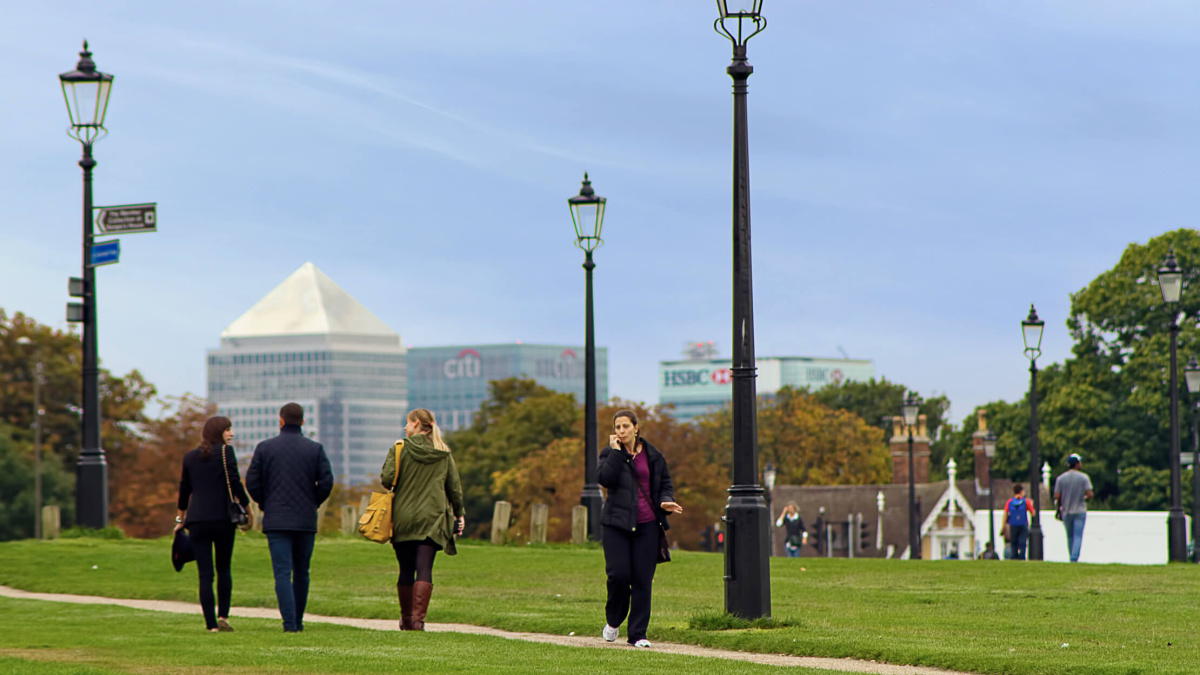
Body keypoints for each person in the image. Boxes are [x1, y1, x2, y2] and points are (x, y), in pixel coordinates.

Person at [597, 409, 683, 649]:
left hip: (647, 526)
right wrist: (616, 453)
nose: (621, 431)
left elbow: (665, 484)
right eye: (617, 427)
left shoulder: (653, 455)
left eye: (625, 426)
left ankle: (637, 634)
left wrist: (665, 501)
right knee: (619, 576)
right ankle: (613, 620)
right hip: (616, 525)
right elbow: (605, 479)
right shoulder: (609, 454)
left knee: (643, 581)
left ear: (636, 428)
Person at [246, 402, 334, 633]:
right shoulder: (315, 449)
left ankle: (289, 624)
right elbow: (326, 482)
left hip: (276, 520)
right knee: (302, 572)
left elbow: (252, 482)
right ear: (303, 422)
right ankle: (299, 620)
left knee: (282, 573)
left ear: (281, 420)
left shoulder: (265, 448)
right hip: (305, 520)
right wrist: (312, 502)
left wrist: (265, 503)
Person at [380, 408, 465, 631]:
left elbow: (387, 480)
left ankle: (406, 620)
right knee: (424, 568)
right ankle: (418, 622)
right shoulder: (443, 453)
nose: (405, 427)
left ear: (417, 424)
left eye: (407, 423)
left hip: (403, 517)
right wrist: (459, 513)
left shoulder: (400, 449)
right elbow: (454, 487)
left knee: (405, 569)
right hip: (433, 519)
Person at [174, 415, 252, 633]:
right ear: (218, 432)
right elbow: (235, 482)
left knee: (204, 574)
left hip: (197, 520)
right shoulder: (227, 453)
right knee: (224, 568)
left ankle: (210, 625)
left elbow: (184, 490)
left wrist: (180, 520)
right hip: (222, 519)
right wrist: (248, 508)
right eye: (227, 430)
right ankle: (223, 616)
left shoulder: (189, 457)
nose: (231, 434)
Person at [1054, 453, 1093, 563]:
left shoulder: (1060, 479)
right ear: (1077, 464)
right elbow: (1089, 494)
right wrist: (1084, 498)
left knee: (1070, 536)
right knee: (1078, 536)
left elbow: (1057, 496)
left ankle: (1072, 556)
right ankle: (1074, 558)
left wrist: (1058, 510)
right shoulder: (1084, 478)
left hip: (1066, 510)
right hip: (1080, 510)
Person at [1003, 484, 1035, 560]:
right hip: (1023, 524)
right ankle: (1022, 557)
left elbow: (1005, 514)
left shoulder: (1009, 502)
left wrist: (1003, 525)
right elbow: (1033, 513)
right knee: (1023, 543)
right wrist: (1031, 504)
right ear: (1021, 491)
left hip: (1013, 524)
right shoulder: (1025, 501)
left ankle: (1013, 557)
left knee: (1013, 542)